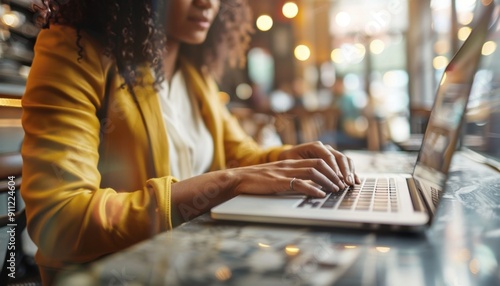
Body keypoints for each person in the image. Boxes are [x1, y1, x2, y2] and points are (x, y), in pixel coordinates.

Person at [21, 0, 360, 285]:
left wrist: (289, 158)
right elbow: (62, 220)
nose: (208, 3)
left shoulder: (192, 72)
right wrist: (227, 182)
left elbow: (239, 155)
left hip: (186, 265)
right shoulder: (75, 52)